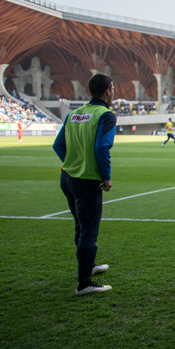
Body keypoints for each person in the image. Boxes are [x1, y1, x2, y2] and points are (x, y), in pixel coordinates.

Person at [52, 73, 117, 296]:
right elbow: (102, 147)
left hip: (67, 177)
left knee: (80, 226)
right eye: (113, 89)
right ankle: (84, 283)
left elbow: (58, 145)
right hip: (87, 180)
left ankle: (89, 266)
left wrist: (73, 163)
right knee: (89, 231)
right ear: (108, 91)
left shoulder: (74, 114)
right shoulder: (105, 115)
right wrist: (106, 177)